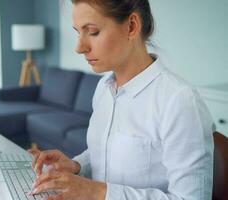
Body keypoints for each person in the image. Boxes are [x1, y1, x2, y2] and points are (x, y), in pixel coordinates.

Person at [28, 0, 215, 200]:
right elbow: (104, 154)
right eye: (77, 32)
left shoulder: (179, 101)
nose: (79, 47)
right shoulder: (103, 89)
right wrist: (77, 166)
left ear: (132, 26)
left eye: (92, 32)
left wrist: (96, 191)